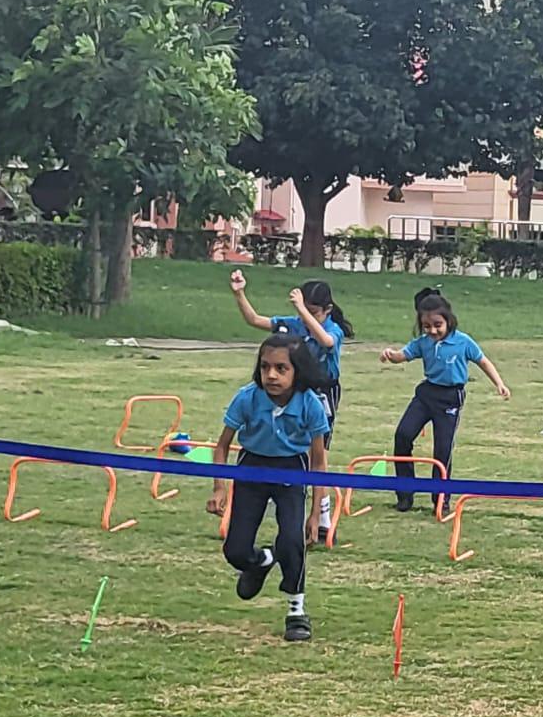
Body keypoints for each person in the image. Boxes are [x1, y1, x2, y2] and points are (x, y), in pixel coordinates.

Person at [208, 334, 329, 643]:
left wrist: (317, 513)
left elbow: (318, 461)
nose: (271, 375)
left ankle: (296, 611)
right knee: (235, 551)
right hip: (252, 468)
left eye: (281, 368)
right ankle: (261, 561)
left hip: (292, 469)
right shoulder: (247, 398)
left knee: (292, 540)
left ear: (296, 371)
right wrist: (219, 488)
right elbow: (221, 447)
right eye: (265, 367)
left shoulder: (310, 405)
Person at [229, 271, 351, 533]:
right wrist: (239, 293)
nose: (305, 316)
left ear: (328, 310)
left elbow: (326, 341)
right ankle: (280, 493)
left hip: (322, 391)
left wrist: (301, 311)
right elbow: (254, 319)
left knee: (319, 454)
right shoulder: (295, 322)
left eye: (313, 311)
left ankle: (322, 514)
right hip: (292, 387)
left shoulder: (332, 329)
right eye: (303, 310)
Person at [379, 291, 509, 514]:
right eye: (427, 326)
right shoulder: (423, 342)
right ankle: (405, 494)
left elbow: (483, 361)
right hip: (427, 394)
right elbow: (404, 354)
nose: (433, 331)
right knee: (402, 435)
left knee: (442, 449)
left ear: (448, 320)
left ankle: (440, 499)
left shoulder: (463, 341)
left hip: (450, 396)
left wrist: (499, 383)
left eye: (437, 325)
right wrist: (390, 355)